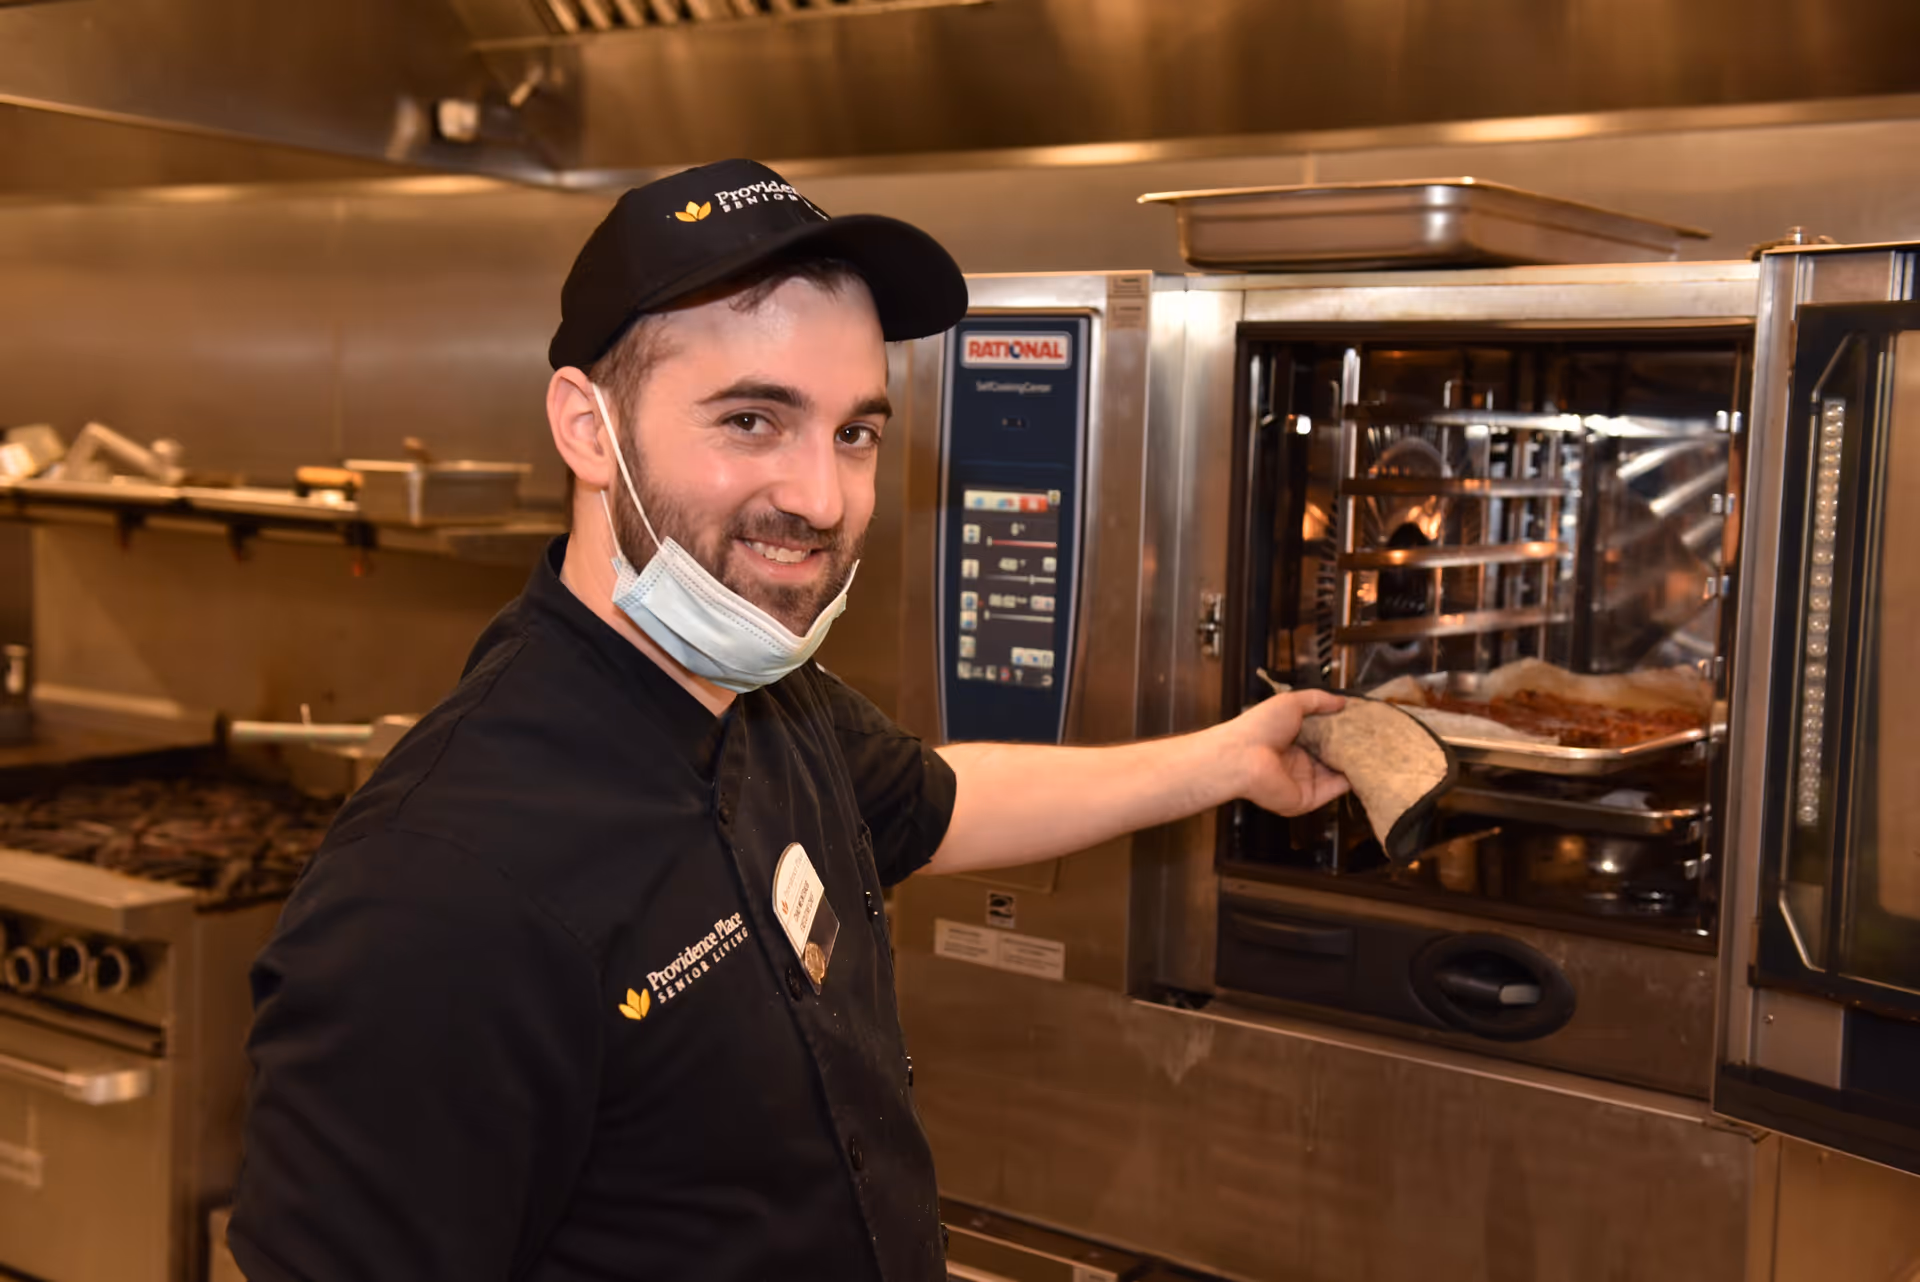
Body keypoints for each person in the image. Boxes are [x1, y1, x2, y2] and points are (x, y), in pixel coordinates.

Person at [228, 159, 1346, 1282]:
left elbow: (939, 803)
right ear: (585, 425)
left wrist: (1225, 760)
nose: (822, 498)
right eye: (754, 418)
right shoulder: (436, 889)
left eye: (855, 432)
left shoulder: (768, 695)